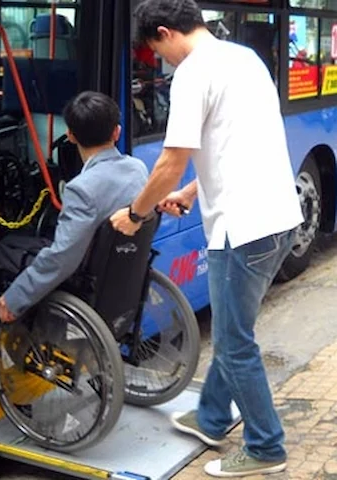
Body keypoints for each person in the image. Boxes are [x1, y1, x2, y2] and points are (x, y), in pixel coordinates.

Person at [109, 1, 303, 477]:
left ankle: (265, 447)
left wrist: (136, 213)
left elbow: (171, 159)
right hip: (279, 216)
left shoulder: (193, 74)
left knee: (235, 341)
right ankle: (213, 418)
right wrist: (194, 191)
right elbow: (243, 142)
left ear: (164, 32)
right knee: (235, 328)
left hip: (244, 229)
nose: (160, 60)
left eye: (156, 50)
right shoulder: (244, 58)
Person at [0, 91, 149, 322]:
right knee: (14, 245)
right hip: (117, 269)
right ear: (116, 132)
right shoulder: (138, 169)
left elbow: (63, 258)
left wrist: (17, 296)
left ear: (70, 136)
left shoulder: (81, 188)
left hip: (83, 274)